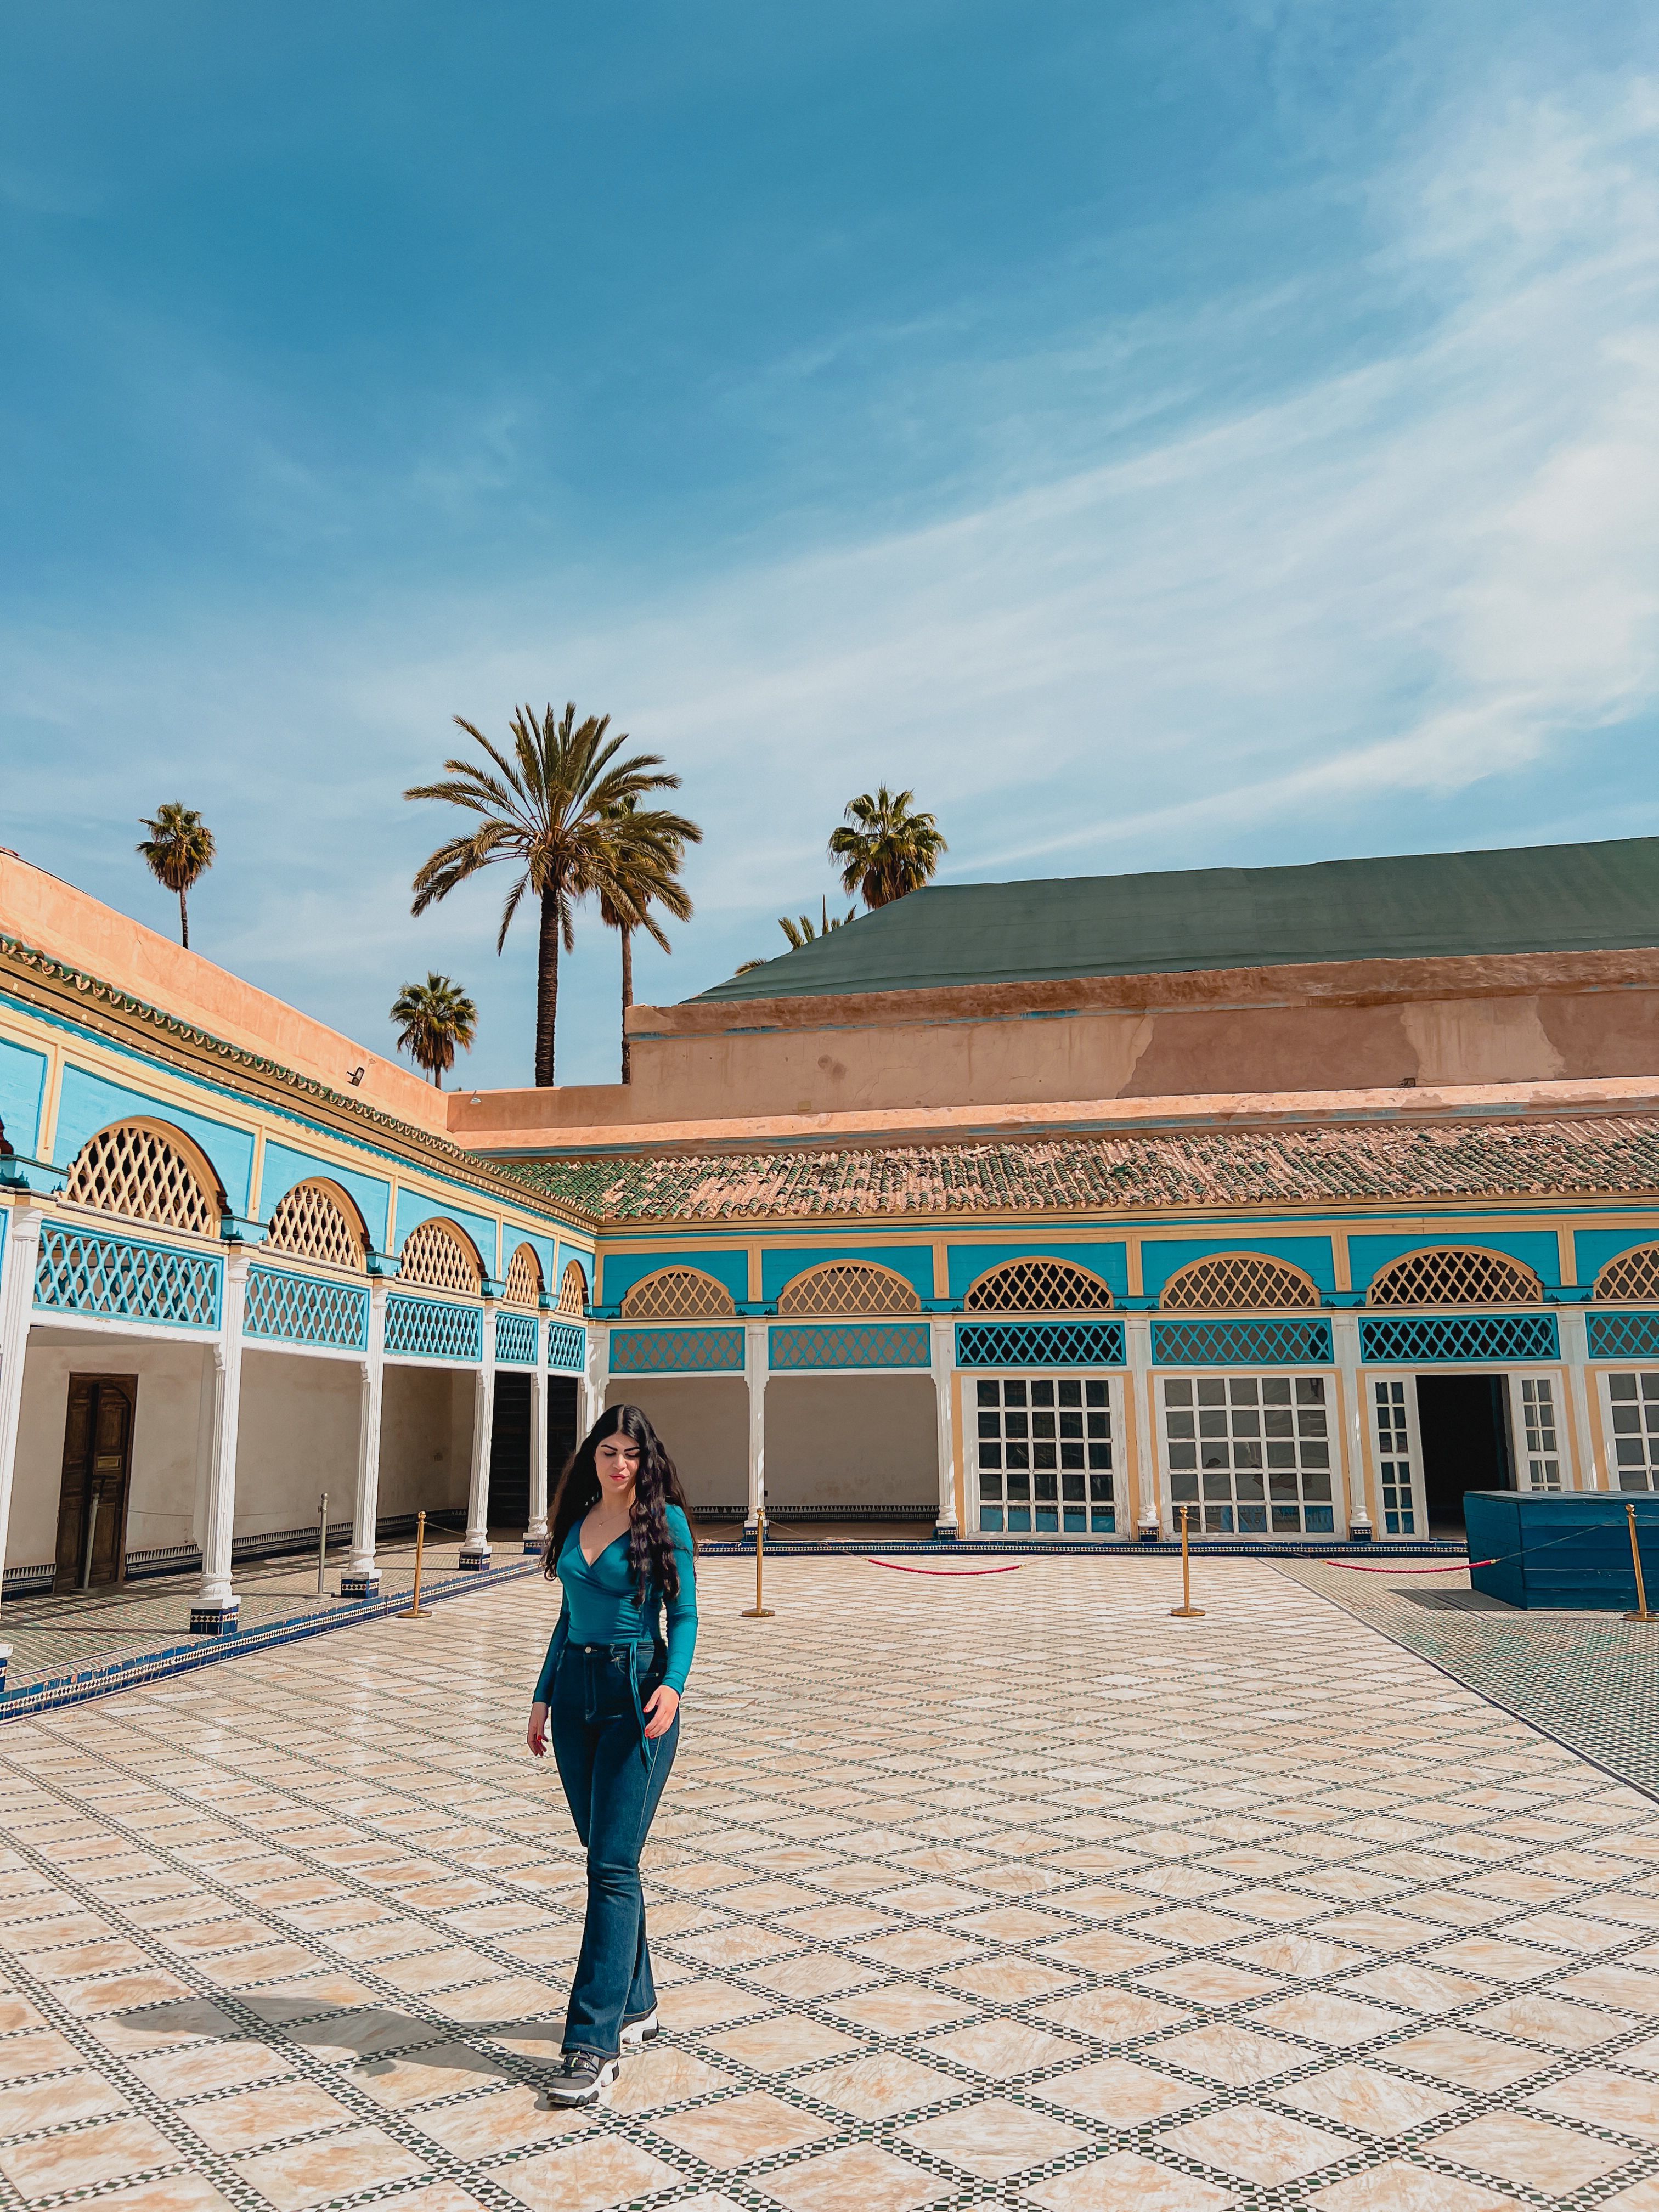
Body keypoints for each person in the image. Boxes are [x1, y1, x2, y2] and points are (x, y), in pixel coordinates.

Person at [527, 1403, 697, 2107]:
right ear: (592, 1458)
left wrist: (674, 1687)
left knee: (610, 1867)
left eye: (630, 1453)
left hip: (636, 1697)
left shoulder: (667, 1524)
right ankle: (638, 2000)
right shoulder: (578, 1523)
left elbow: (683, 1615)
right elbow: (569, 1617)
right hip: (574, 1698)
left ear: (645, 1460)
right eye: (607, 1452)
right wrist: (541, 1696)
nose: (618, 1464)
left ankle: (593, 2043)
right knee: (608, 1857)